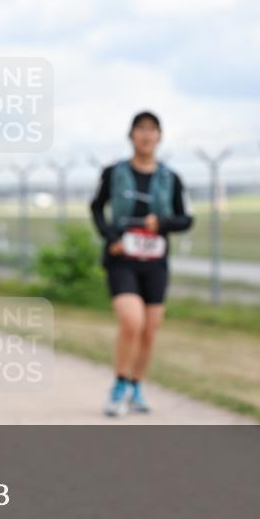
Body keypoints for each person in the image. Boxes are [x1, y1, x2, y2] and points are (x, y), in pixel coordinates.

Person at [90, 111, 193, 416]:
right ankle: (119, 386)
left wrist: (161, 222)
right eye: (141, 130)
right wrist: (110, 237)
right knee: (131, 322)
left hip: (155, 261)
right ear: (131, 135)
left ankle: (136, 384)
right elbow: (96, 208)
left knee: (150, 329)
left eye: (152, 130)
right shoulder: (114, 173)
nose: (146, 136)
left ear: (159, 137)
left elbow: (186, 219)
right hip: (122, 259)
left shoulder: (170, 178)